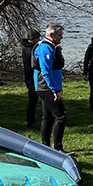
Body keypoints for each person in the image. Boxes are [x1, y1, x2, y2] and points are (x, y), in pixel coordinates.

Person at [34, 23, 66, 151]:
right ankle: (58, 148)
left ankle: (45, 147)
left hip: (48, 87)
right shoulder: (44, 49)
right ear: (51, 35)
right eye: (59, 35)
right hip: (46, 87)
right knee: (61, 116)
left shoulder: (52, 47)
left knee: (48, 117)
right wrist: (55, 90)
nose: (61, 37)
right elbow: (46, 71)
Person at [21, 28, 41, 127]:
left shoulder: (26, 47)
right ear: (33, 39)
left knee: (33, 99)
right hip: (31, 76)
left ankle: (31, 120)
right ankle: (30, 121)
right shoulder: (31, 50)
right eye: (38, 38)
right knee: (33, 99)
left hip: (29, 76)